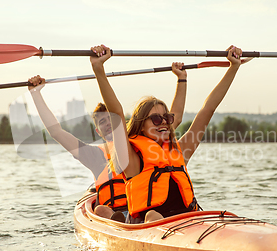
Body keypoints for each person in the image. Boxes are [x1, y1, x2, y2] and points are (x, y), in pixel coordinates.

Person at [90, 44, 243, 223]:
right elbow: (116, 111)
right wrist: (98, 69)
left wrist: (233, 68)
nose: (163, 122)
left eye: (166, 118)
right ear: (141, 126)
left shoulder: (179, 151)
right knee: (153, 215)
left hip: (186, 221)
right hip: (148, 225)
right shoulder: (130, 159)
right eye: (155, 119)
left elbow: (207, 109)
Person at [27, 67, 187, 222]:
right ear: (98, 131)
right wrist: (36, 94)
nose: (109, 123)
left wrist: (181, 79)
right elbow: (57, 132)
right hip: (114, 214)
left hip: (144, 213)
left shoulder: (139, 146)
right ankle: (115, 220)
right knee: (100, 210)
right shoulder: (94, 155)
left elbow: (174, 118)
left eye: (111, 119)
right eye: (103, 121)